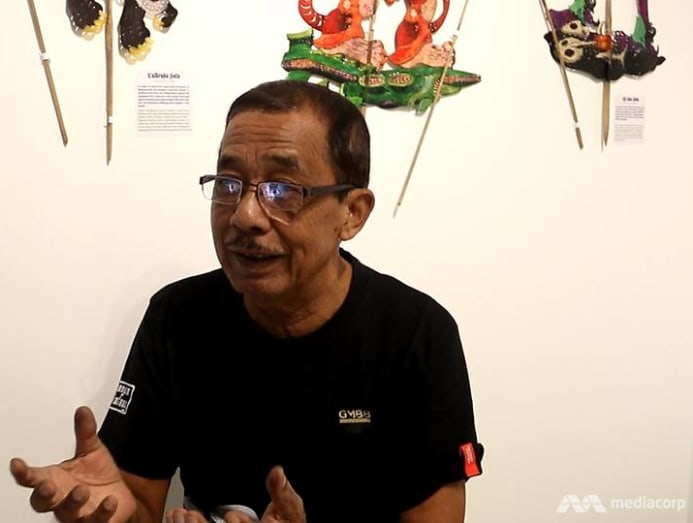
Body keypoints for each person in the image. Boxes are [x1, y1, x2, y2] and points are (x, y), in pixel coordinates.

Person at [9, 79, 484, 523]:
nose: (245, 215)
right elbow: (135, 501)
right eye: (228, 184)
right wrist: (110, 511)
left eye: (283, 190)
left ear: (352, 214)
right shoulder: (178, 316)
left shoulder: (417, 334)